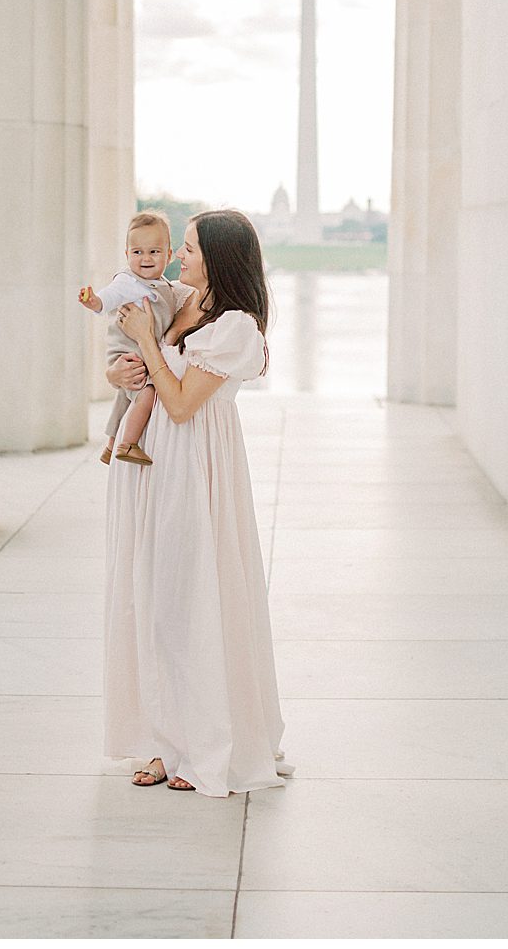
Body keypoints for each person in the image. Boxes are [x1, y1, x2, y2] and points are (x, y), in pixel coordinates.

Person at [103, 208, 289, 796]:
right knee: (151, 600)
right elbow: (138, 358)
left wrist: (143, 345)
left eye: (191, 249)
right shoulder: (179, 297)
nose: (179, 258)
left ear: (220, 257)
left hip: (193, 465)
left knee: (190, 600)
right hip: (151, 463)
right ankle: (163, 740)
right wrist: (120, 372)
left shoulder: (235, 325)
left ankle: (203, 745)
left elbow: (182, 403)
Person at [78, 210, 183, 466]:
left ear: (168, 256)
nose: (145, 258)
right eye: (137, 252)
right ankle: (128, 443)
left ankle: (111, 444)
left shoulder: (168, 287)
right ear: (127, 255)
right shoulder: (128, 282)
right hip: (128, 354)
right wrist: (94, 301)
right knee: (147, 394)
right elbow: (108, 299)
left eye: (154, 252)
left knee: (125, 397)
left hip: (141, 354)